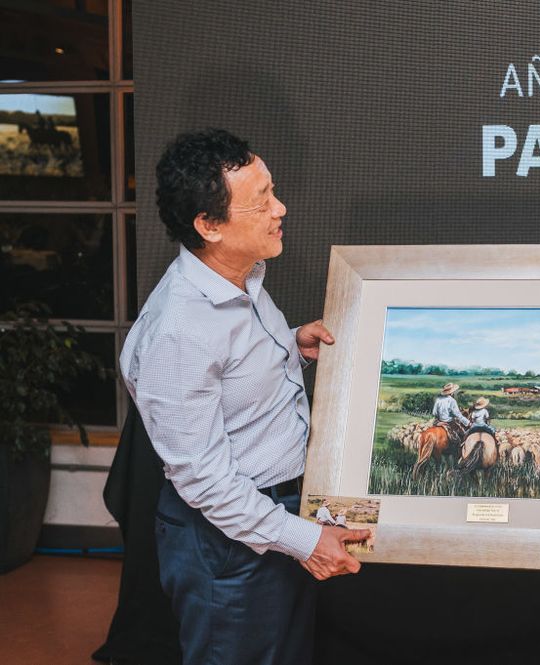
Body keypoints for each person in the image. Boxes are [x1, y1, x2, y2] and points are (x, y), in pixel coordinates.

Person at [119, 128, 370, 665]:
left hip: (273, 516)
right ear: (209, 225)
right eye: (261, 203)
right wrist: (302, 539)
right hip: (225, 542)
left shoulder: (245, 275)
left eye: (273, 190)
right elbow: (203, 480)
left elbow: (235, 382)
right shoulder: (179, 330)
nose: (280, 208)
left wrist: (292, 348)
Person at [431, 382, 470, 448]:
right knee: (462, 435)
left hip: (438, 422)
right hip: (449, 422)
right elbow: (458, 414)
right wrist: (468, 422)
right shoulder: (452, 401)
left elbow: (434, 413)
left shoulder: (438, 400)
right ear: (452, 392)